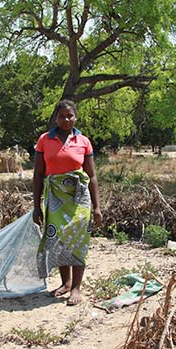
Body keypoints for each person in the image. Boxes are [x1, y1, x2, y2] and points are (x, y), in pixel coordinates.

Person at [33, 99, 102, 306]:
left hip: (79, 197)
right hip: (55, 196)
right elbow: (38, 174)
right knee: (59, 238)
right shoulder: (45, 140)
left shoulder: (83, 141)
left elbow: (92, 175)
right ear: (56, 118)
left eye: (70, 115)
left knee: (78, 238)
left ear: (76, 117)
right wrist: (36, 206)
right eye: (62, 116)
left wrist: (97, 207)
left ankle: (76, 288)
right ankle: (65, 282)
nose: (66, 119)